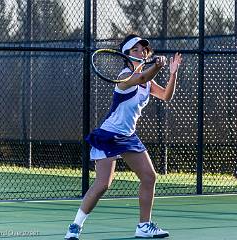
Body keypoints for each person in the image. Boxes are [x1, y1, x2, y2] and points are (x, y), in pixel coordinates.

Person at [64, 34, 182, 240]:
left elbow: (166, 96)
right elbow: (142, 77)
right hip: (109, 135)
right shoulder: (124, 77)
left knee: (149, 177)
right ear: (126, 56)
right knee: (103, 184)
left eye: (143, 50)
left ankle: (143, 226)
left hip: (128, 136)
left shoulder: (147, 81)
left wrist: (172, 73)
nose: (141, 53)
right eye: (135, 50)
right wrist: (157, 66)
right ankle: (75, 226)